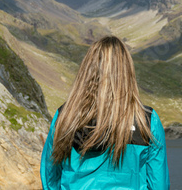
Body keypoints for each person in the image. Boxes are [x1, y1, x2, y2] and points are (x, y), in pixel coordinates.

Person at [40, 36, 170, 189]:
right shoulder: (146, 120)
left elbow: (50, 177)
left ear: (87, 70)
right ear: (126, 71)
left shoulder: (65, 116)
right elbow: (159, 185)